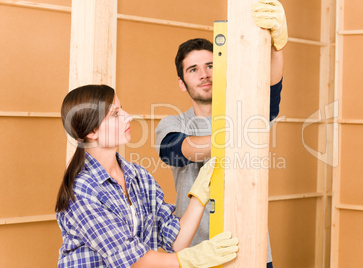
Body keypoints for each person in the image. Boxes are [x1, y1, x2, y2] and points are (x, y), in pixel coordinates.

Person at [155, 1, 288, 267]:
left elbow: (269, 86)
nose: (204, 75)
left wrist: (276, 46)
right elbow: (182, 151)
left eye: (210, 65)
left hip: (252, 248)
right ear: (182, 83)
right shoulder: (172, 123)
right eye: (193, 70)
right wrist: (241, 134)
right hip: (196, 253)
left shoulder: (248, 112)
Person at [55, 84, 238, 267]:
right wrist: (194, 259)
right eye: (116, 114)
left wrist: (199, 196)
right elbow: (132, 260)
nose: (128, 117)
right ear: (91, 131)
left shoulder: (138, 177)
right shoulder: (82, 191)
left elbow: (177, 241)